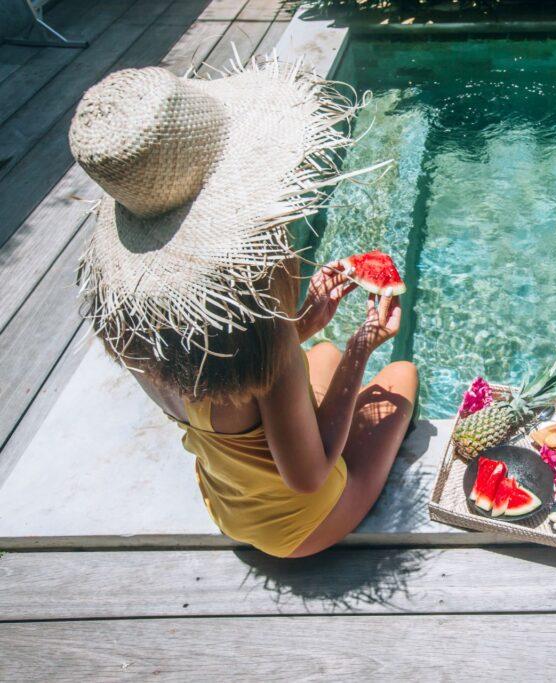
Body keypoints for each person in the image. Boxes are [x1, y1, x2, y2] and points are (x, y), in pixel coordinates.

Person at [68, 62, 417, 558]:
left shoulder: (140, 328)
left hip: (228, 507)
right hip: (302, 526)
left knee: (321, 349)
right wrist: (363, 346)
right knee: (400, 376)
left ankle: (321, 380)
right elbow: (309, 477)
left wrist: (298, 330)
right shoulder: (266, 337)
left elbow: (230, 383)